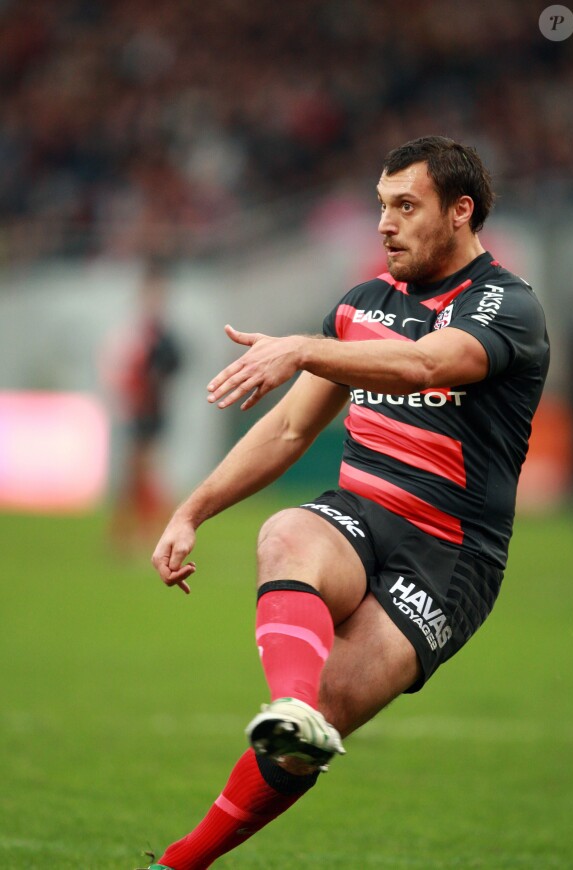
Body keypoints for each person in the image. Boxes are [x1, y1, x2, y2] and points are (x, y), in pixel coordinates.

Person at [139, 136, 549, 870]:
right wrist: (190, 511)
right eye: (381, 206)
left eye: (405, 206)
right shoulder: (362, 305)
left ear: (460, 213)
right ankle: (289, 707)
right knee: (289, 532)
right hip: (359, 514)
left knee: (317, 730)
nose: (385, 224)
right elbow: (294, 427)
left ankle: (179, 862)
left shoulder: (507, 305)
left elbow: (431, 361)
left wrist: (301, 347)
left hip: (449, 559)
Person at [103, 259, 183, 553]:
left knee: (140, 471)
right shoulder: (143, 333)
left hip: (152, 410)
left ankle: (146, 531)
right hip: (141, 410)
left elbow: (174, 364)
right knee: (138, 472)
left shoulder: (159, 334)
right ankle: (142, 531)